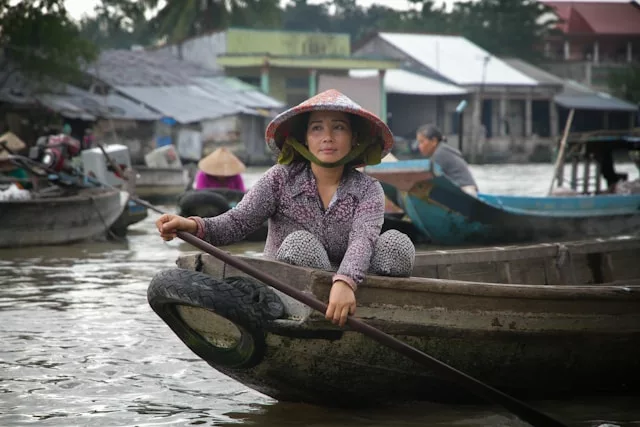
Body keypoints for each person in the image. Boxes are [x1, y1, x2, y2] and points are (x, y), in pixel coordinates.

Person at [155, 89, 415, 327]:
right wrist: (190, 225)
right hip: (287, 295)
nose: (327, 137)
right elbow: (237, 223)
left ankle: (372, 310)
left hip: (350, 290)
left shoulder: (368, 189)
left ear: (354, 138)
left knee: (397, 244)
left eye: (338, 128)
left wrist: (345, 280)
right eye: (316, 128)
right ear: (304, 138)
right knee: (300, 244)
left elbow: (363, 239)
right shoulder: (280, 179)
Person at [416, 124, 479, 196]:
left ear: (433, 141)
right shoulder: (442, 150)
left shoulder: (440, 153)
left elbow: (428, 178)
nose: (419, 146)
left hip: (465, 191)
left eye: (421, 142)